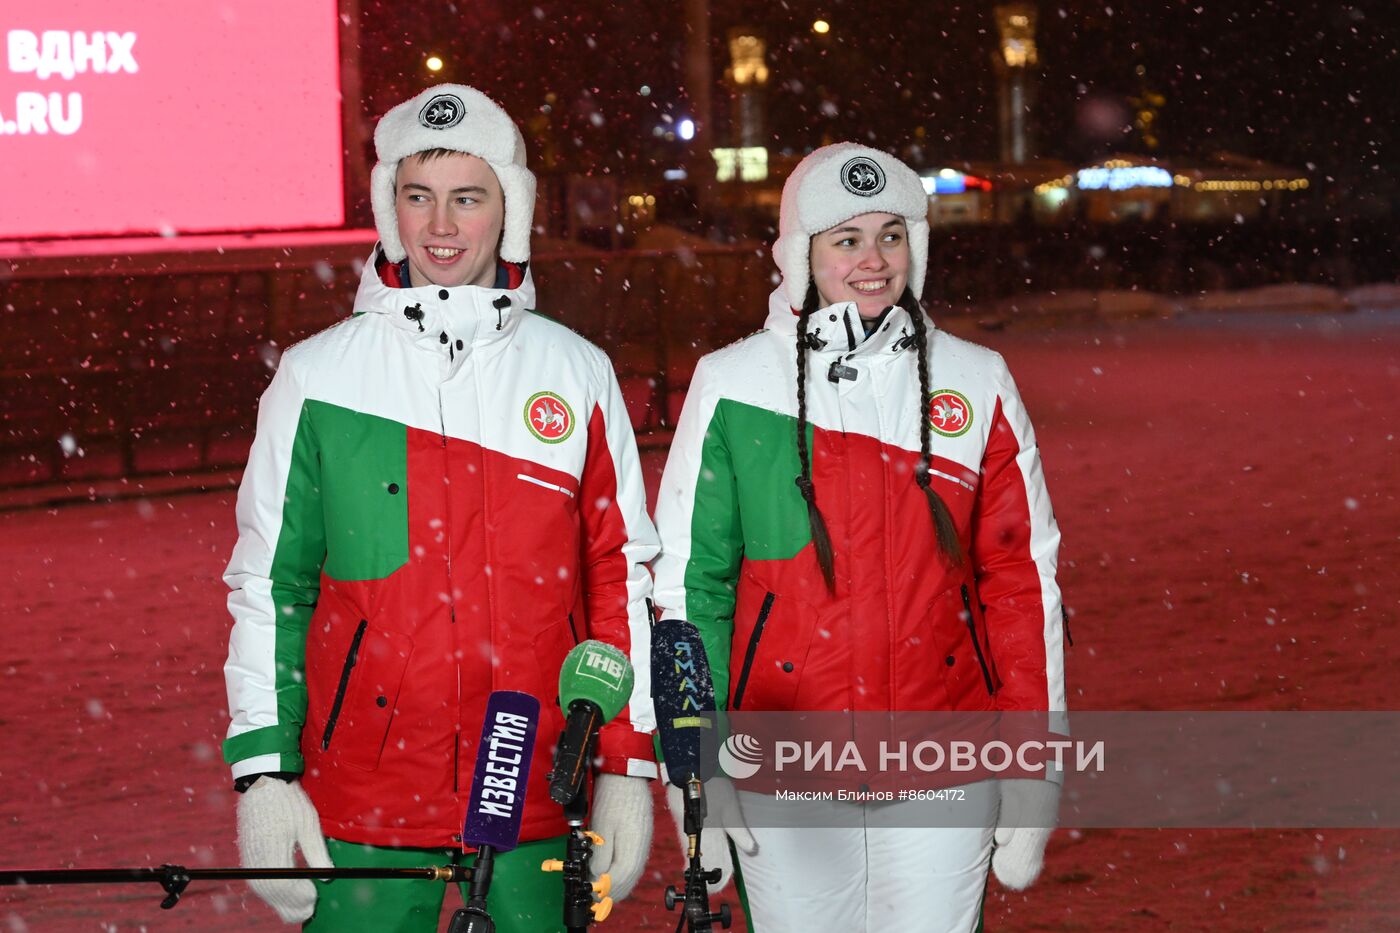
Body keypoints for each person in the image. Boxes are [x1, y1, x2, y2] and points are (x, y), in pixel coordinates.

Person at [221, 84, 660, 931]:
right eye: (417, 196)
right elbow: (271, 586)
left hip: (537, 783)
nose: (441, 225)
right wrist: (264, 771)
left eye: (468, 197)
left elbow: (621, 576)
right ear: (390, 208)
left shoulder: (575, 371)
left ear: (511, 210)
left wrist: (626, 766)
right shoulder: (317, 376)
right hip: (364, 795)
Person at [651, 143, 1066, 931]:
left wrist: (1030, 763)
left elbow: (1021, 581)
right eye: (846, 239)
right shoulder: (733, 383)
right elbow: (690, 587)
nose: (873, 260)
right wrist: (695, 770)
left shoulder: (976, 378)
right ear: (800, 254)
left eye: (891, 235)